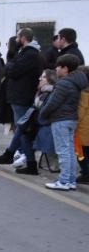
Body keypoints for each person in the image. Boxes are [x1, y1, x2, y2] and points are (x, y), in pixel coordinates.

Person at [0, 29, 43, 165]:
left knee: (22, 129)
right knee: (22, 130)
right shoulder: (24, 53)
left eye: (17, 38)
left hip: (22, 97)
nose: (15, 41)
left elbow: (12, 71)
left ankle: (10, 153)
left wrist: (10, 60)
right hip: (18, 96)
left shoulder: (30, 54)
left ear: (23, 38)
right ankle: (30, 163)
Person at [41, 54, 88, 191]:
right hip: (71, 118)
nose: (56, 69)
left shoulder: (64, 83)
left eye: (58, 66)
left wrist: (43, 113)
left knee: (63, 151)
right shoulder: (77, 81)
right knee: (70, 151)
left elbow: (53, 102)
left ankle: (63, 180)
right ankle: (70, 180)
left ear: (65, 68)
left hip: (61, 119)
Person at [15, 69, 57, 175]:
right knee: (23, 134)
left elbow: (45, 113)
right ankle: (30, 165)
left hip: (45, 126)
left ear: (49, 80)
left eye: (43, 77)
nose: (40, 79)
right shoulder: (41, 91)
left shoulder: (50, 92)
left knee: (23, 131)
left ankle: (10, 153)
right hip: (38, 124)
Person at [75, 66, 89, 184]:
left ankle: (86, 174)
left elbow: (81, 110)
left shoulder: (84, 93)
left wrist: (75, 122)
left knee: (81, 154)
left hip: (83, 129)